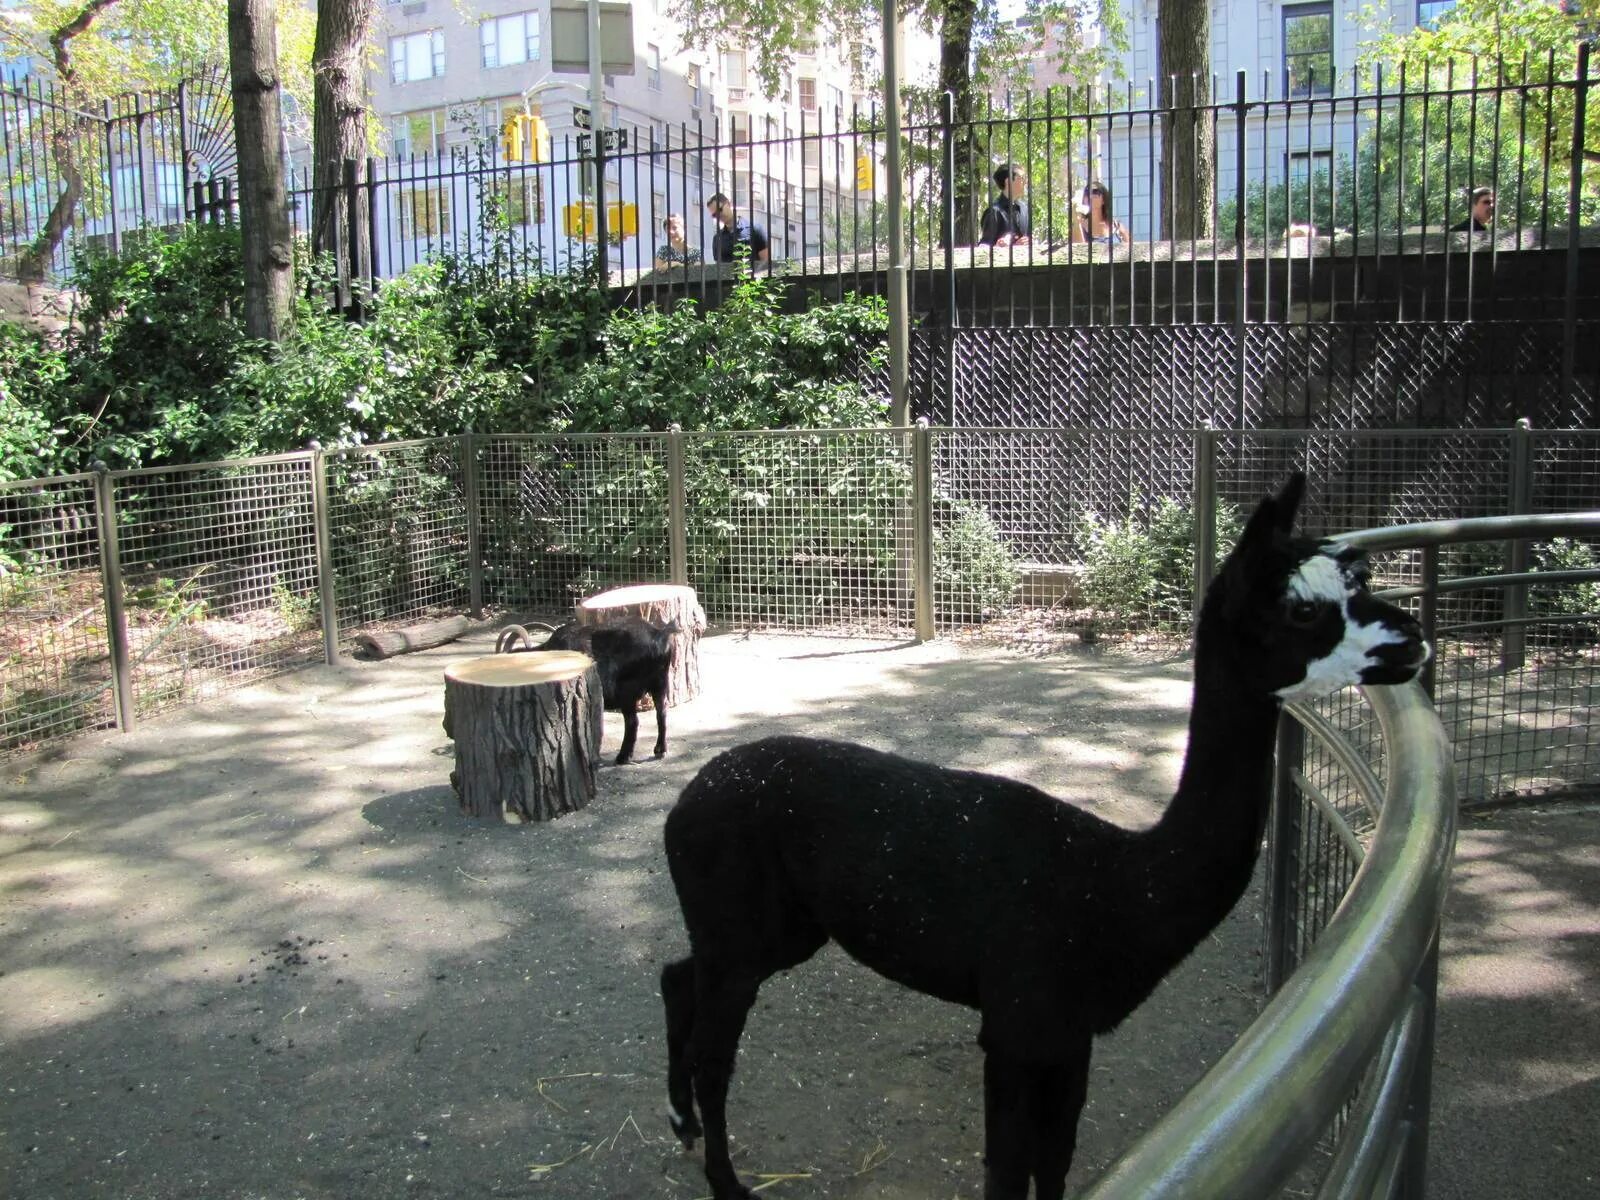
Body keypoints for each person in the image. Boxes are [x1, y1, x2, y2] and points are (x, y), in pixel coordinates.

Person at [706, 193, 769, 265]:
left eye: (720, 210)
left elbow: (766, 263)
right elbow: (718, 269)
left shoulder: (755, 229)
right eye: (714, 215)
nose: (718, 215)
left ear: (728, 204)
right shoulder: (717, 238)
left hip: (751, 275)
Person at [978, 163, 1030, 247]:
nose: (1025, 182)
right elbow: (983, 247)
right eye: (1022, 178)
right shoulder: (994, 212)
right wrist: (998, 247)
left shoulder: (1024, 208)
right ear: (1008, 181)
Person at [1072, 180, 1126, 246]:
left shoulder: (1117, 226)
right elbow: (1078, 251)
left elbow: (1131, 250)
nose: (1090, 197)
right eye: (1087, 193)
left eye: (1095, 193)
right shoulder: (1080, 226)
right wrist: (1077, 222)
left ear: (1103, 200)